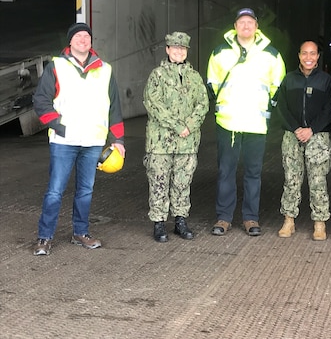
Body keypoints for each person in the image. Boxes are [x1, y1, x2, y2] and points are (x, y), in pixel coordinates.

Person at [32, 22, 125, 256]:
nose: (83, 40)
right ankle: (45, 237)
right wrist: (58, 125)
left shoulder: (105, 69)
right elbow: (41, 100)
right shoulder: (56, 66)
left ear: (91, 42)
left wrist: (118, 140)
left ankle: (80, 233)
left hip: (93, 141)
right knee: (55, 191)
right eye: (78, 36)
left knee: (85, 190)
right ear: (70, 42)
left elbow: (114, 106)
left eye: (87, 36)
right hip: (64, 141)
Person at [206, 7, 286, 236]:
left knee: (253, 174)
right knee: (225, 172)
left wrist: (265, 106)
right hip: (228, 122)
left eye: (250, 22)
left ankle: (251, 218)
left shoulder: (271, 54)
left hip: (256, 124)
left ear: (257, 27)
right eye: (242, 22)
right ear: (235, 26)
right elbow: (212, 81)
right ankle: (224, 218)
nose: (246, 26)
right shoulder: (220, 52)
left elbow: (277, 85)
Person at [143, 31, 209, 242]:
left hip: (187, 142)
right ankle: (159, 223)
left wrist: (189, 126)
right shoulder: (157, 75)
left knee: (182, 182)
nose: (179, 51)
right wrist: (177, 125)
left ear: (186, 51)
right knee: (159, 181)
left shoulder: (195, 77)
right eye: (175, 47)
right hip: (161, 142)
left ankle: (180, 220)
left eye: (183, 48)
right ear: (167, 50)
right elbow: (153, 104)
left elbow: (203, 104)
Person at [276, 40, 331, 241]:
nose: (308, 57)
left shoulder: (326, 81)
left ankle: (319, 223)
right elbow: (280, 107)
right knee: (291, 180)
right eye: (304, 53)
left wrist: (312, 129)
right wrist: (295, 128)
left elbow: (330, 109)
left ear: (318, 56)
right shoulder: (289, 79)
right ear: (299, 55)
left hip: (318, 137)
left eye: (313, 53)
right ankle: (289, 220)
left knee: (318, 181)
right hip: (292, 136)